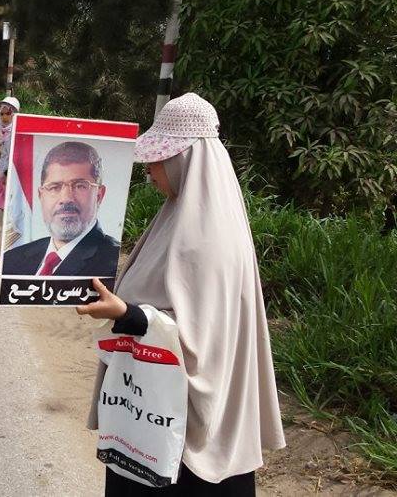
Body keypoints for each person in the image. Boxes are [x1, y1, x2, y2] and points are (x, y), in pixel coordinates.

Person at [76, 93, 286, 496]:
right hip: (147, 409)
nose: (149, 170)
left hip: (180, 436)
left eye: (157, 159)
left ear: (184, 159)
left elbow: (201, 342)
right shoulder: (178, 214)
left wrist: (129, 314)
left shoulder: (208, 238)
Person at [1, 141, 119, 276]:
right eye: (54, 187)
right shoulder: (12, 259)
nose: (66, 198)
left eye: (80, 186)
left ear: (99, 195)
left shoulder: (112, 265)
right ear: (41, 195)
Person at [0, 96, 20, 209]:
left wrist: (6, 174)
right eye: (2, 114)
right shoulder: (3, 133)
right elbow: (5, 155)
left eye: (8, 114)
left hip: (10, 176)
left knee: (10, 208)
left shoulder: (15, 134)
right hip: (3, 174)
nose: (4, 117)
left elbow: (16, 157)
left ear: (14, 114)